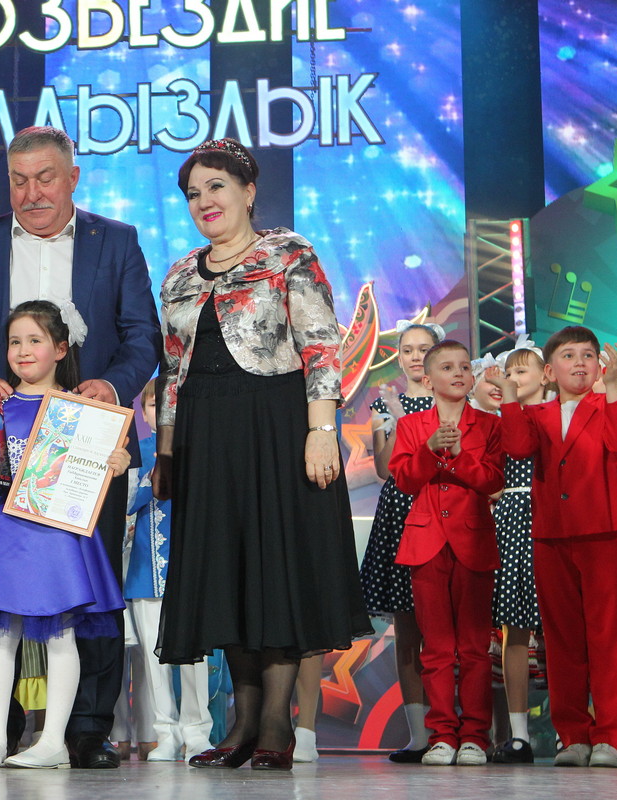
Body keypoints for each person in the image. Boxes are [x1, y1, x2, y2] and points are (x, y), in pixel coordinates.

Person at [151, 138, 370, 772]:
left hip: (276, 426)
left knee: (277, 569)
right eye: (193, 193)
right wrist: (167, 454)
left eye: (216, 186)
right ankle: (241, 724)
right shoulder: (180, 274)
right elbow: (172, 373)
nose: (204, 201)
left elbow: (321, 347)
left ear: (248, 191)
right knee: (227, 571)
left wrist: (321, 430)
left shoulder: (288, 254)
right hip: (206, 435)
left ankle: (275, 723)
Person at [0, 125, 161, 769]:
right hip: (0, 438)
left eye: (45, 178)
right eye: (18, 180)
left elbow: (142, 335)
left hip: (87, 440)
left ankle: (87, 731)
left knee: (89, 588)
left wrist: (111, 386)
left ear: (73, 178)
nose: (32, 192)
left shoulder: (116, 240)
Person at [0, 300, 129, 769]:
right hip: (3, 533)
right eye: (14, 342)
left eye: (35, 340)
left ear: (61, 349)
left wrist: (115, 464)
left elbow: (91, 475)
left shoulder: (83, 412)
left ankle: (53, 743)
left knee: (61, 636)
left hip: (57, 536)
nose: (23, 351)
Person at [487, 327, 617, 768]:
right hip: (550, 535)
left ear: (599, 365)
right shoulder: (537, 414)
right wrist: (510, 397)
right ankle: (574, 736)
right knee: (562, 641)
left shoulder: (609, 403)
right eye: (569, 355)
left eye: (588, 355)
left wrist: (614, 386)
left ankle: (612, 736)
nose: (580, 362)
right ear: (549, 371)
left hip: (603, 532)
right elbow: (517, 448)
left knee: (607, 637)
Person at [389, 340, 504, 766]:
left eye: (464, 367)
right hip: (426, 543)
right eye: (447, 367)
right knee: (435, 648)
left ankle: (474, 735)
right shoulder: (412, 425)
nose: (458, 374)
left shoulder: (489, 425)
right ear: (428, 378)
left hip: (473, 541)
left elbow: (492, 481)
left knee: (474, 646)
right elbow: (404, 479)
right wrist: (430, 448)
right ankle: (442, 735)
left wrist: (456, 457)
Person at [358, 321, 441, 762]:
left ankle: (459, 731)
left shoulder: (456, 403)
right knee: (407, 630)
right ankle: (419, 735)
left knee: (449, 630)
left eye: (423, 348)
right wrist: (396, 415)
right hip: (400, 516)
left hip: (444, 509)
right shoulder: (385, 404)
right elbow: (386, 468)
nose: (414, 357)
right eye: (407, 349)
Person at [122, 379, 212, 762]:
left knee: (195, 658)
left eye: (168, 404)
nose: (160, 412)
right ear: (143, 413)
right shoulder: (136, 453)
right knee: (154, 661)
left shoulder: (201, 450)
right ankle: (165, 734)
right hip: (146, 571)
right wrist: (150, 476)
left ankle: (198, 733)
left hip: (192, 571)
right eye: (153, 405)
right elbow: (126, 503)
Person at [485, 339, 547, 764]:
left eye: (522, 370)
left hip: (548, 516)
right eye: (509, 372)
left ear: (545, 375)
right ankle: (519, 734)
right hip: (510, 522)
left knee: (558, 628)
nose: (513, 378)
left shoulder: (556, 415)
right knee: (514, 627)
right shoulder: (498, 421)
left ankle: (573, 733)